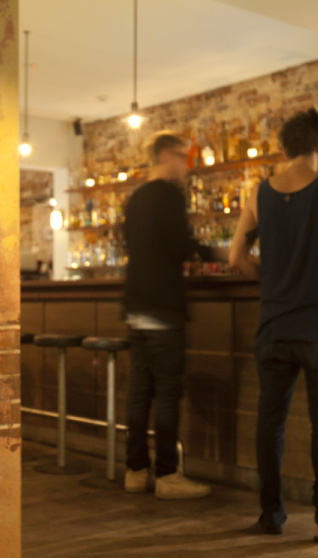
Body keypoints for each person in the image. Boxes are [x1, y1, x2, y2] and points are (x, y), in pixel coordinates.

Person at [229, 108, 318, 543]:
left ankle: (270, 515)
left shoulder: (259, 193)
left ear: (284, 149)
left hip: (275, 327)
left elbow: (235, 257)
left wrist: (274, 282)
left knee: (269, 421)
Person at [123, 132, 212, 500]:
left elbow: (131, 244)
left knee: (139, 394)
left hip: (135, 307)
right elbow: (178, 246)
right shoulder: (169, 195)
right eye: (182, 156)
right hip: (162, 308)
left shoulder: (136, 198)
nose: (186, 165)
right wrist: (212, 254)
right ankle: (167, 476)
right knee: (167, 393)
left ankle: (135, 471)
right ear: (164, 155)